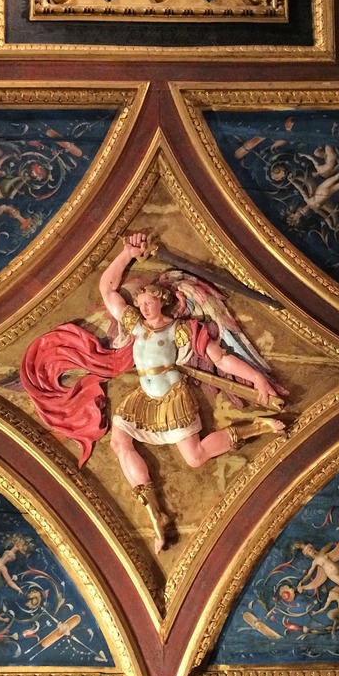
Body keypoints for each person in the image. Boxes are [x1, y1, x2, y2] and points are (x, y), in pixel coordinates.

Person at [98, 231, 285, 553]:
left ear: (162, 300)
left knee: (195, 457)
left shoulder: (180, 330)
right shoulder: (135, 325)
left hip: (172, 398)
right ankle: (155, 513)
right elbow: (108, 290)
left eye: (150, 302)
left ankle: (258, 426)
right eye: (141, 303)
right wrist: (127, 254)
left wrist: (257, 378)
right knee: (119, 442)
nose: (144, 307)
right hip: (142, 400)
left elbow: (221, 359)